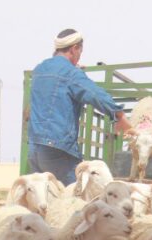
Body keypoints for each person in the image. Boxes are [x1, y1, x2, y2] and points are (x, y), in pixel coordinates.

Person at [27, 28, 131, 185]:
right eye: (80, 52)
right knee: (76, 198)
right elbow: (93, 93)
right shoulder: (71, 74)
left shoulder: (40, 69)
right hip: (57, 150)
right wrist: (119, 114)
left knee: (46, 202)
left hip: (34, 148)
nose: (79, 56)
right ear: (74, 48)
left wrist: (73, 71)